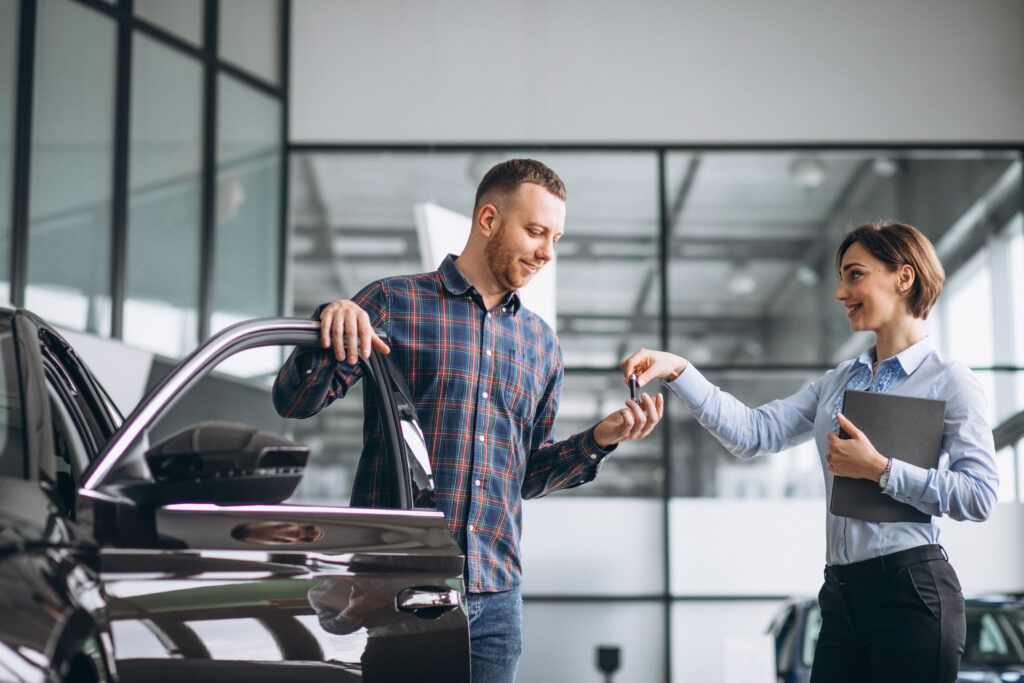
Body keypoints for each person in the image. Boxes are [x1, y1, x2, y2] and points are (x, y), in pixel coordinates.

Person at [273, 158, 664, 683]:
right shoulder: (392, 301)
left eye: (557, 237)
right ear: (487, 220)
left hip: (495, 602)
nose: (548, 252)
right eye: (535, 231)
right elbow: (295, 402)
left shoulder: (541, 346)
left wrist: (600, 439)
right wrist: (331, 318)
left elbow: (525, 477)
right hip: (394, 592)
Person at [622, 222, 998, 682]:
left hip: (912, 592)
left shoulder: (951, 381)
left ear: (904, 277)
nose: (840, 292)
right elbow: (753, 433)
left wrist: (881, 469)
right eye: (841, 278)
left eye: (854, 275)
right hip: (841, 595)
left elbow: (980, 496)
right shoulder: (839, 381)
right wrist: (679, 370)